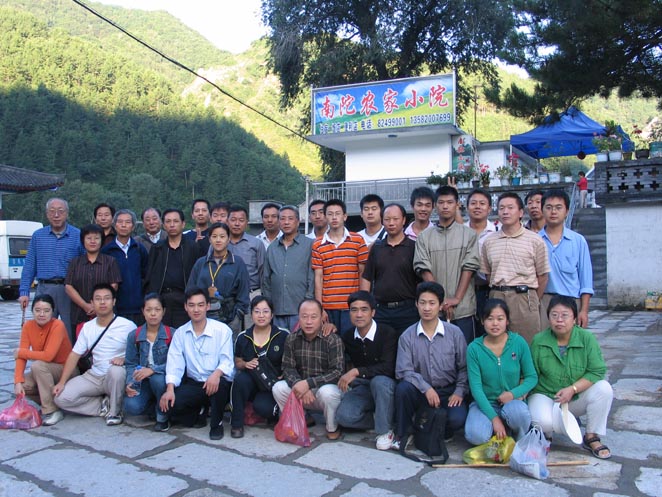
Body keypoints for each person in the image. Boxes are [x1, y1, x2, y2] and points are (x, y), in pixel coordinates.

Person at [529, 296, 613, 459]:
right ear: (548, 318)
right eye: (554, 315)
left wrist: (573, 389)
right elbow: (531, 374)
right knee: (543, 422)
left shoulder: (586, 339)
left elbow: (596, 371)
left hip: (574, 397)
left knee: (604, 389)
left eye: (565, 315)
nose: (559, 320)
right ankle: (547, 433)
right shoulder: (539, 340)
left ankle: (591, 436)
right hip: (546, 395)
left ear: (574, 318)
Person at [392, 282, 468, 449]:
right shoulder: (407, 336)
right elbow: (403, 371)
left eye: (432, 303)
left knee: (456, 419)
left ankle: (437, 428)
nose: (427, 308)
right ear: (416, 304)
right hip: (421, 392)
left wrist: (459, 391)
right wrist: (426, 388)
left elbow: (464, 367)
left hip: (448, 391)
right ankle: (403, 433)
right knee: (403, 389)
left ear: (440, 306)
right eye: (423, 303)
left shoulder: (454, 333)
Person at [53, 284, 137, 426]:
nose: (102, 302)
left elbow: (138, 353)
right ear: (92, 303)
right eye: (98, 299)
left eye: (107, 298)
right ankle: (103, 407)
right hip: (94, 376)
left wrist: (124, 359)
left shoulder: (128, 326)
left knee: (116, 371)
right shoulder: (87, 327)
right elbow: (74, 355)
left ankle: (115, 413)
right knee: (61, 398)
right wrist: (62, 382)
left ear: (114, 301)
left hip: (116, 377)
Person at [160, 288, 234, 440]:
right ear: (185, 307)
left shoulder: (222, 330)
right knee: (170, 406)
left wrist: (216, 374)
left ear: (208, 306)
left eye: (200, 305)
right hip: (195, 383)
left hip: (217, 381)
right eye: (191, 305)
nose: (196, 310)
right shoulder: (181, 333)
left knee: (219, 388)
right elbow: (175, 363)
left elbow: (227, 361)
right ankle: (201, 410)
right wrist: (170, 389)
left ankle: (217, 424)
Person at [464, 299, 537, 445]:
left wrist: (513, 394)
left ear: (507, 321)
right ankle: (497, 429)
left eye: (500, 319)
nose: (495, 323)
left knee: (519, 415)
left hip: (512, 401)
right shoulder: (474, 348)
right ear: (482, 321)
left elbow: (532, 377)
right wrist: (494, 419)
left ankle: (517, 436)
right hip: (485, 403)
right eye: (490, 319)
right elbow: (476, 389)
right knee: (475, 436)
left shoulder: (518, 342)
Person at [414, 186, 480, 344]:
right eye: (441, 202)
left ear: (457, 205)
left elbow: (469, 267)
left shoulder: (469, 234)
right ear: (435, 205)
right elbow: (423, 268)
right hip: (434, 309)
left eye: (450, 202)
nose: (445, 206)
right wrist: (440, 300)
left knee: (465, 351)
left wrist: (456, 298)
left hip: (464, 308)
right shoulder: (424, 237)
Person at [481, 192, 550, 343]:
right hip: (497, 295)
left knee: (526, 344)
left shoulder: (535, 240)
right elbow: (488, 274)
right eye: (501, 208)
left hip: (524, 298)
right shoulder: (489, 241)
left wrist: (532, 299)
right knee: (497, 343)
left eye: (510, 208)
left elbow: (543, 276)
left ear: (520, 212)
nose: (505, 212)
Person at [272, 299, 344, 440]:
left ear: (321, 317)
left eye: (313, 317)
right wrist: (299, 384)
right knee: (278, 388)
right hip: (301, 389)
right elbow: (287, 367)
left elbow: (337, 372)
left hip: (323, 390)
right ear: (298, 317)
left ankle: (332, 426)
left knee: (328, 393)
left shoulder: (332, 340)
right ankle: (301, 419)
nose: (309, 321)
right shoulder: (292, 339)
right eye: (304, 316)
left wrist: (309, 384)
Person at [335, 291, 398, 450]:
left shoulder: (387, 333)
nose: (359, 314)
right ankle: (382, 419)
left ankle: (385, 431)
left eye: (364, 309)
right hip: (363, 387)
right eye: (354, 310)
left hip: (385, 385)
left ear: (373, 312)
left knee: (379, 382)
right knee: (343, 417)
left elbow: (388, 368)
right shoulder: (348, 336)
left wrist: (356, 371)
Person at [19, 198, 84, 341]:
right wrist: (24, 292)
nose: (56, 215)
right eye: (52, 211)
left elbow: (86, 265)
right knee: (43, 329)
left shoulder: (77, 235)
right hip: (45, 288)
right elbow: (29, 265)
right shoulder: (38, 236)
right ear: (47, 214)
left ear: (67, 213)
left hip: (69, 289)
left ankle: (69, 355)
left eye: (60, 211)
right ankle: (44, 355)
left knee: (70, 330)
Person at [230, 296, 288, 438]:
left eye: (265, 311)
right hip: (251, 381)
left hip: (271, 384)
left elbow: (292, 360)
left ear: (272, 314)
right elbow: (237, 361)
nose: (261, 315)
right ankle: (236, 424)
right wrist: (245, 364)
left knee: (264, 408)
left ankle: (270, 414)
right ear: (251, 314)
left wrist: (285, 372)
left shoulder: (283, 335)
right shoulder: (243, 337)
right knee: (240, 380)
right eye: (257, 311)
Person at [13, 294, 74, 426]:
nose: (42, 314)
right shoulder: (28, 326)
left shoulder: (58, 325)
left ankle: (51, 410)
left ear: (52, 312)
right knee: (23, 385)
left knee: (37, 366)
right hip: (45, 371)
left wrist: (21, 352)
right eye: (38, 310)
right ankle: (53, 402)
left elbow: (48, 356)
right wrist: (17, 381)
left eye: (46, 311)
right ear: (32, 311)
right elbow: (21, 357)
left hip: (65, 370)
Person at [360, 203, 420, 334]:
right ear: (382, 221)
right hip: (381, 311)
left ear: (403, 220)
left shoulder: (414, 247)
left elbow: (421, 279)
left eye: (395, 219)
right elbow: (367, 278)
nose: (391, 223)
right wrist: (365, 305)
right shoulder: (377, 248)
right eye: (387, 219)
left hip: (408, 311)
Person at [312, 199, 369, 335]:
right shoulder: (318, 244)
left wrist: (363, 302)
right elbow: (318, 277)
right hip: (328, 306)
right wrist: (320, 308)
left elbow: (363, 272)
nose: (334, 217)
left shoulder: (358, 240)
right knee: (329, 342)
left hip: (351, 305)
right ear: (325, 217)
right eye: (330, 214)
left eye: (337, 213)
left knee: (351, 342)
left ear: (345, 216)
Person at [539, 189, 594, 329]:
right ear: (542, 210)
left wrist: (584, 311)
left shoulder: (578, 241)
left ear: (567, 211)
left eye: (558, 208)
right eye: (549, 207)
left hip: (571, 301)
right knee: (543, 340)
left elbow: (586, 280)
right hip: (543, 302)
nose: (553, 212)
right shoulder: (534, 240)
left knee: (571, 341)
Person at [187, 222, 249, 338]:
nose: (218, 240)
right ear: (209, 239)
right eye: (214, 236)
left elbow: (243, 293)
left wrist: (237, 317)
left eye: (222, 236)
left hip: (229, 316)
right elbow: (190, 289)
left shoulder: (237, 263)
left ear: (228, 239)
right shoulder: (201, 263)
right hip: (202, 315)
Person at [123, 293, 172, 432]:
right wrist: (130, 382)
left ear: (163, 311)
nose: (153, 314)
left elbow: (175, 364)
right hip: (142, 381)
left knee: (157, 380)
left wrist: (152, 370)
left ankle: (162, 417)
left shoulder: (172, 334)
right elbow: (130, 363)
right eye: (149, 310)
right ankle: (154, 406)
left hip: (162, 379)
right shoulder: (134, 335)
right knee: (131, 406)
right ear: (143, 311)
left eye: (157, 309)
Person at [262, 205, 314, 331]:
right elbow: (266, 279)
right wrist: (269, 305)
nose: (286, 222)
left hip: (301, 308)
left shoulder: (309, 245)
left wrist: (308, 303)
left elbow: (312, 277)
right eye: (282, 219)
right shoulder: (272, 248)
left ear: (298, 221)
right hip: (277, 308)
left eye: (290, 218)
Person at [144, 209, 199, 328]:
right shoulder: (158, 248)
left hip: (185, 299)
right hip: (162, 300)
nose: (172, 225)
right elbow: (150, 276)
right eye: (168, 221)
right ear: (164, 225)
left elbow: (198, 275)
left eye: (176, 221)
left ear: (183, 224)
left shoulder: (192, 247)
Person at [65, 224, 122, 332]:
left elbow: (114, 285)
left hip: (105, 314)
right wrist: (85, 306)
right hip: (79, 314)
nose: (92, 241)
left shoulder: (110, 261)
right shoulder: (75, 262)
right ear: (83, 241)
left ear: (102, 241)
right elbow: (69, 287)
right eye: (89, 238)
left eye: (96, 238)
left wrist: (97, 306)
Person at [101, 209, 149, 325]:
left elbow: (146, 276)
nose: (123, 225)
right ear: (114, 225)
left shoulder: (139, 249)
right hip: (116, 308)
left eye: (127, 222)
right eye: (120, 222)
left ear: (133, 226)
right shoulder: (106, 251)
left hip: (138, 308)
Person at [228, 205, 266, 328]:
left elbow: (263, 270)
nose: (237, 224)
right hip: (229, 296)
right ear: (227, 221)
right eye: (233, 220)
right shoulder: (220, 243)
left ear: (247, 223)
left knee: (253, 330)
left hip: (252, 293)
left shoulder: (256, 243)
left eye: (241, 220)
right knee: (232, 331)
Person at [466, 189, 497, 337]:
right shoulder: (460, 232)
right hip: (465, 291)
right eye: (473, 203)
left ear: (489, 208)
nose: (477, 206)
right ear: (467, 207)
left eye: (482, 203)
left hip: (488, 291)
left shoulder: (497, 232)